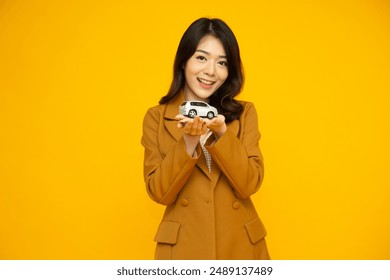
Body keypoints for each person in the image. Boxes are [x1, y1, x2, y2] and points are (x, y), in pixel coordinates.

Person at [141, 17, 270, 260]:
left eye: (222, 62)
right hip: (183, 249)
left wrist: (222, 134)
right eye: (201, 57)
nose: (211, 71)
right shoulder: (156, 118)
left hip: (240, 246)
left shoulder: (244, 113)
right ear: (183, 61)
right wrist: (188, 144)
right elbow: (159, 193)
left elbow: (249, 185)